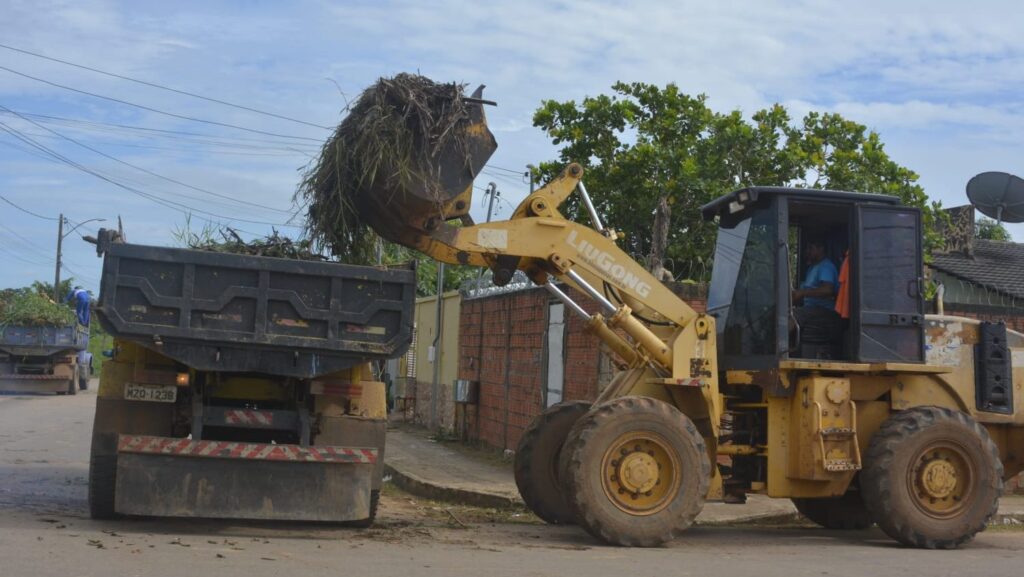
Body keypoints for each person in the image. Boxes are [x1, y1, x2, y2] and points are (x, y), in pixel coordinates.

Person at [791, 238, 839, 334]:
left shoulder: (826, 267)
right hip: (811, 308)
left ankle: (779, 345)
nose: (807, 251)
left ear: (821, 249)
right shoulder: (812, 268)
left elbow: (827, 290)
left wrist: (803, 293)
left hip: (825, 310)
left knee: (793, 316)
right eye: (807, 249)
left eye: (811, 248)